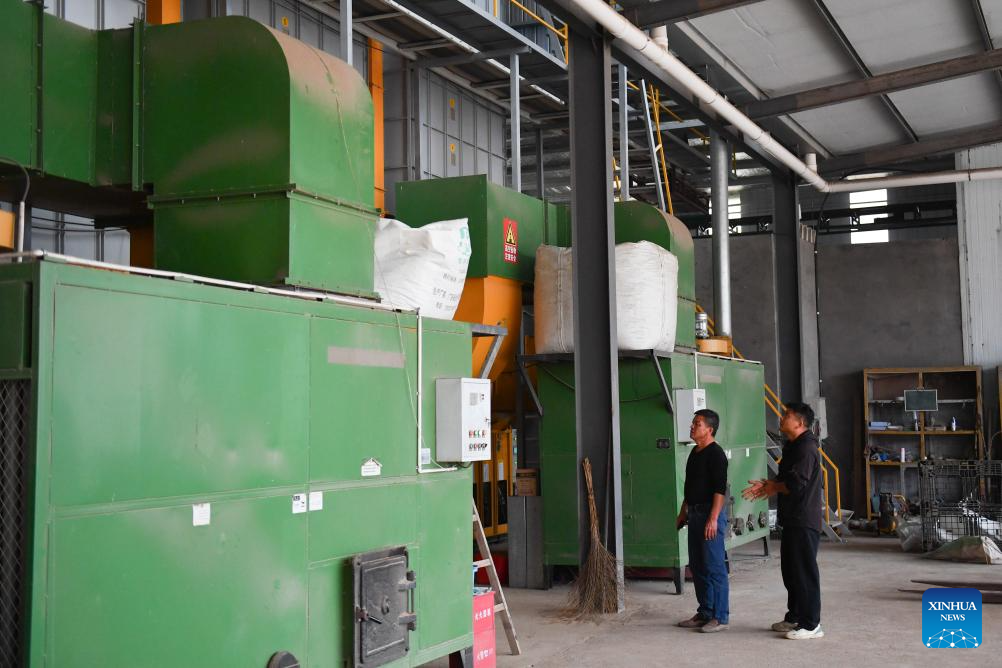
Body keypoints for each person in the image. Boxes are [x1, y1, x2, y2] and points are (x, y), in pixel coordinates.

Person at [743, 402, 824, 640]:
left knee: (804, 572)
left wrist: (773, 487)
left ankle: (811, 624)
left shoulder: (806, 447)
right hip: (792, 518)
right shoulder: (793, 446)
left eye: (787, 415)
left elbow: (797, 483)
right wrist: (768, 485)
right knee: (791, 571)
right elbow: (785, 479)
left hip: (803, 519)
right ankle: (795, 617)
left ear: (800, 422)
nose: (781, 417)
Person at [676, 409, 729, 633]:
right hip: (695, 514)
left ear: (709, 429)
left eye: (697, 424)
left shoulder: (716, 454)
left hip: (710, 514)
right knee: (697, 565)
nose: (692, 426)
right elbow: (690, 488)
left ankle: (720, 617)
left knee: (714, 567)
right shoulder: (694, 452)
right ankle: (705, 612)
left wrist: (713, 519)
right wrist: (683, 513)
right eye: (693, 423)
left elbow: (719, 490)